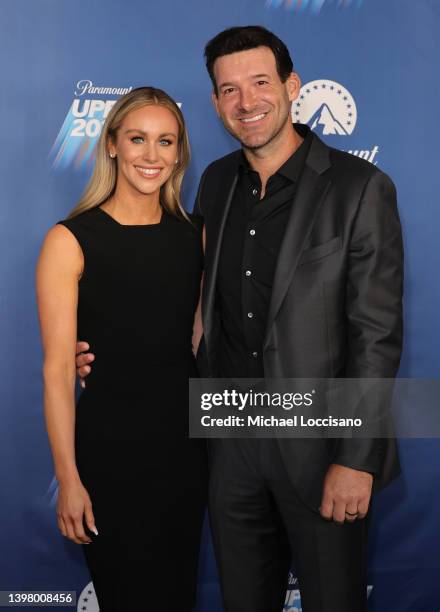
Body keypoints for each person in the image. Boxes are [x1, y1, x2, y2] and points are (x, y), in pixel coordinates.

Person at [77, 26, 403, 612]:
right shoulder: (216, 182)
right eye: (229, 90)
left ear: (292, 86)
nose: (246, 102)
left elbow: (375, 336)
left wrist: (357, 459)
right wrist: (106, 348)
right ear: (214, 103)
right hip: (228, 444)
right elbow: (189, 299)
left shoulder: (360, 188)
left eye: (259, 83)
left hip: (321, 447)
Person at [37, 87, 207, 612]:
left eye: (165, 141)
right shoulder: (70, 240)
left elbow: (197, 340)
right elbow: (57, 373)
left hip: (184, 453)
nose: (151, 156)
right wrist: (68, 479)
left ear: (179, 153)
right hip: (109, 454)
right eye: (138, 139)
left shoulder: (195, 236)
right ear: (112, 144)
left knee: (175, 594)